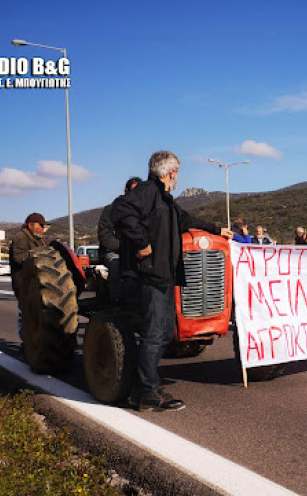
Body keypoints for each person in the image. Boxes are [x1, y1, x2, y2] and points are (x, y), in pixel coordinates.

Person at [113, 151, 233, 412]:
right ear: (171, 172)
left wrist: (215, 229)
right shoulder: (147, 191)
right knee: (155, 333)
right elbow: (121, 210)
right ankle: (145, 391)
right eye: (177, 170)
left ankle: (146, 387)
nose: (178, 175)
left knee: (165, 332)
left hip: (164, 275)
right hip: (151, 274)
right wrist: (141, 242)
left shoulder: (164, 199)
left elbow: (185, 220)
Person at [97, 177, 140, 303]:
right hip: (114, 252)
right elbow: (105, 237)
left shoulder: (144, 212)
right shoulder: (110, 210)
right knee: (116, 264)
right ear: (126, 191)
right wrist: (126, 248)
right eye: (134, 191)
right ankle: (116, 302)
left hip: (137, 252)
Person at [10, 213, 49, 340]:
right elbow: (18, 257)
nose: (43, 228)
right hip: (23, 282)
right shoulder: (20, 237)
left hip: (36, 281)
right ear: (30, 225)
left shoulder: (40, 239)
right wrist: (36, 255)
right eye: (40, 225)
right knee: (25, 314)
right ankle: (26, 343)